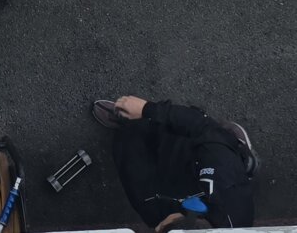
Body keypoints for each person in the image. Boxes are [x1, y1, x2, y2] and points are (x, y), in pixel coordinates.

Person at [92, 95, 258, 230]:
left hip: (182, 191)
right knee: (211, 138)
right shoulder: (225, 182)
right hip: (202, 160)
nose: (157, 229)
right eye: (162, 228)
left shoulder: (163, 217)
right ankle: (238, 151)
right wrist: (146, 109)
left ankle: (128, 127)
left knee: (145, 200)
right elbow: (202, 127)